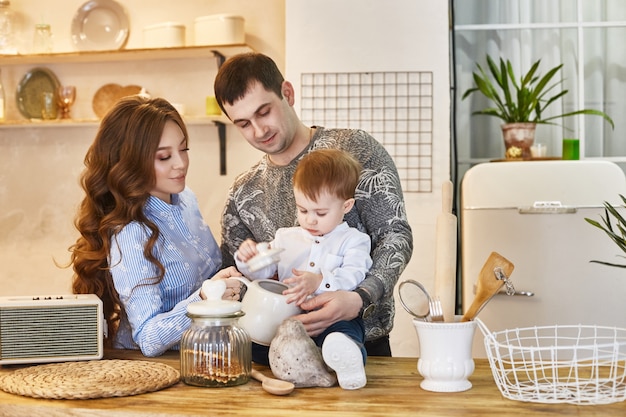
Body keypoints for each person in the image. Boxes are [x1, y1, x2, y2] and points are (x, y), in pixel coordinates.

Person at [214, 52, 413, 360]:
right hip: (272, 354)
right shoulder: (242, 193)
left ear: (287, 94)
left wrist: (360, 297)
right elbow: (236, 281)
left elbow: (395, 236)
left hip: (359, 347)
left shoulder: (355, 150)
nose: (258, 131)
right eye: (243, 124)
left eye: (264, 112)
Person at [69, 96, 242, 358]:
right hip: (155, 369)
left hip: (205, 356)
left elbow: (208, 272)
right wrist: (204, 299)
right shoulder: (130, 233)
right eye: (164, 156)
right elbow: (149, 338)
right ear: (130, 163)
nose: (180, 164)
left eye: (183, 150)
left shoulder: (186, 200)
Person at [235, 149, 372, 389]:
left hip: (331, 319)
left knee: (345, 334)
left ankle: (348, 362)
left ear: (346, 206)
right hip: (288, 320)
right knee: (252, 344)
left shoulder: (354, 240)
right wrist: (250, 259)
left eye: (320, 213)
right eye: (303, 210)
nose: (310, 220)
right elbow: (263, 274)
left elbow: (354, 275)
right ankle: (292, 365)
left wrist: (320, 282)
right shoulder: (286, 238)